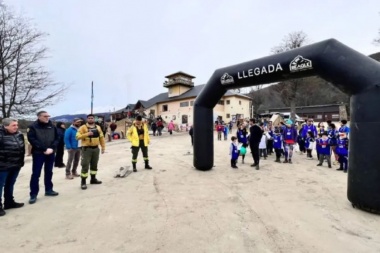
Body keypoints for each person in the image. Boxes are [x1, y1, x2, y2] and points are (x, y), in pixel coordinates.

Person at [27, 111, 60, 204]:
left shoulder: (52, 126)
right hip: (39, 153)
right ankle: (33, 194)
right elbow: (32, 139)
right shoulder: (33, 126)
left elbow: (57, 138)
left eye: (48, 116)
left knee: (49, 171)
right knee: (36, 174)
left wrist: (52, 148)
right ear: (39, 117)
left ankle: (49, 189)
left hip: (51, 153)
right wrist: (44, 149)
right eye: (45, 116)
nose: (47, 118)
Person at [0, 118, 25, 216]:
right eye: (13, 125)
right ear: (6, 126)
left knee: (10, 184)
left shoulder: (19, 134)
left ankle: (9, 202)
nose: (16, 127)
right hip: (3, 165)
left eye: (17, 125)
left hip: (16, 164)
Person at [76, 114, 105, 190]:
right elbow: (77, 137)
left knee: (94, 165)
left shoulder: (98, 127)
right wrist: (86, 134)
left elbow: (101, 138)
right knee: (85, 165)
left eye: (92, 118)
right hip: (86, 149)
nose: (91, 119)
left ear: (94, 119)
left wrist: (103, 147)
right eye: (89, 118)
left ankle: (93, 179)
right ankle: (83, 182)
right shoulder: (83, 127)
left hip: (96, 149)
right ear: (87, 119)